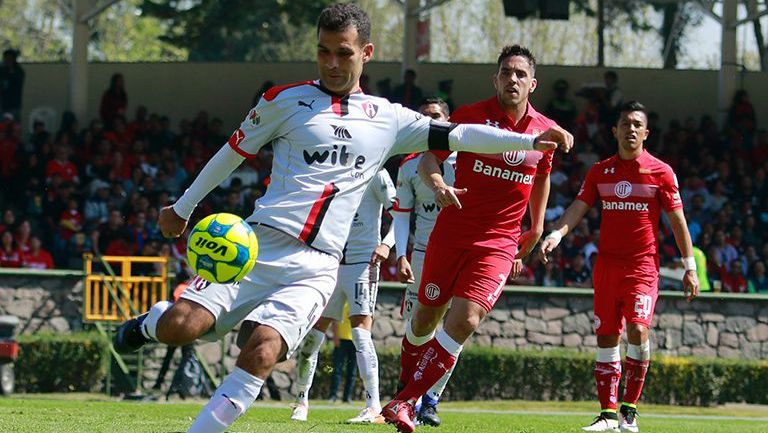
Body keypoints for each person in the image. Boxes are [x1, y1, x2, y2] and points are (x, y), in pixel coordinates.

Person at [112, 5, 572, 433]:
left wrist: (532, 143)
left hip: (318, 267)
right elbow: (232, 153)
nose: (331, 63)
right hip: (258, 244)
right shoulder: (282, 100)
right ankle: (150, 323)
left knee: (263, 351)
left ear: (366, 54)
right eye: (323, 52)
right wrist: (183, 207)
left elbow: (461, 134)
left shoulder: (388, 119)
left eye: (343, 53)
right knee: (181, 328)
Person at [382, 44, 561, 433]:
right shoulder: (469, 117)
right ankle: (405, 390)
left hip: (498, 243)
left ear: (533, 83)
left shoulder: (542, 129)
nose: (512, 79)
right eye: (506, 72)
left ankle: (405, 401)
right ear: (495, 78)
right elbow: (429, 158)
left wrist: (537, 225)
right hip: (451, 233)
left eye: (520, 74)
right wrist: (436, 181)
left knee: (465, 320)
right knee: (425, 318)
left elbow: (542, 176)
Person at [539, 101, 699, 433]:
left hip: (642, 267)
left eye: (637, 124)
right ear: (615, 130)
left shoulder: (661, 172)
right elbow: (578, 207)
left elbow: (678, 221)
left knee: (638, 330)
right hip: (607, 268)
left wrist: (690, 267)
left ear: (646, 132)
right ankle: (608, 415)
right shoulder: (600, 171)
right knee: (607, 336)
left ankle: (630, 410)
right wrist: (556, 234)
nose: (631, 129)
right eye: (625, 123)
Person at [290, 168, 396, 424]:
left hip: (364, 262)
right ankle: (301, 401)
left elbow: (401, 213)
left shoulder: (377, 172)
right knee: (312, 337)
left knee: (360, 332)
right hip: (331, 261)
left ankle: (373, 407)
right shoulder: (333, 169)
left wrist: (387, 244)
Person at [391, 96, 456, 427]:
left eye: (436, 116)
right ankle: (408, 392)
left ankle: (430, 400)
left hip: (462, 255)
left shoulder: (467, 159)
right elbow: (402, 215)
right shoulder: (408, 166)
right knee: (419, 328)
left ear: (447, 120)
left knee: (454, 329)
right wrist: (401, 253)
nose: (430, 122)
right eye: (424, 117)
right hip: (423, 258)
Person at [327, 303, 357, 404]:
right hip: (341, 340)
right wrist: (335, 337)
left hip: (355, 341)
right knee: (337, 370)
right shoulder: (342, 303)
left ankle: (347, 397)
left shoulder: (357, 303)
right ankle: (333, 396)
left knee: (352, 372)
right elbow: (334, 321)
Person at [0, 49, 24, 122]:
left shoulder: (19, 71)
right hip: (2, 105)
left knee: (14, 128)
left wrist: (11, 69)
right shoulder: (2, 70)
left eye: (9, 59)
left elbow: (16, 83)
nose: (6, 61)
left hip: (14, 105)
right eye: (5, 58)